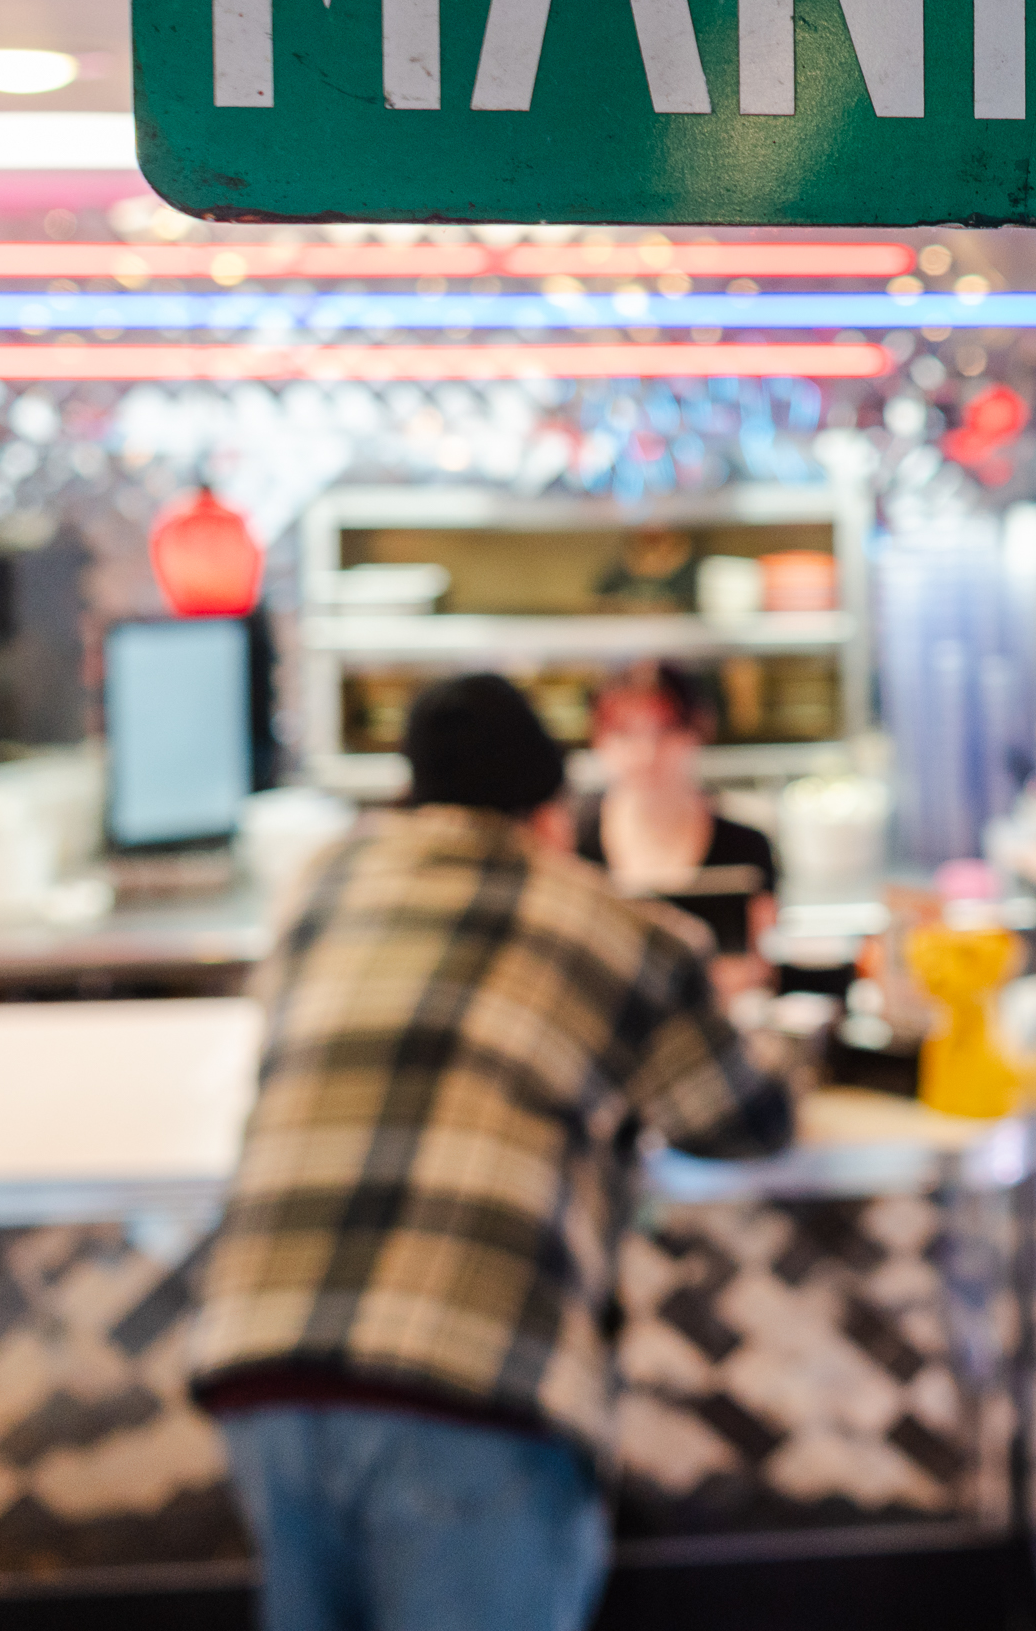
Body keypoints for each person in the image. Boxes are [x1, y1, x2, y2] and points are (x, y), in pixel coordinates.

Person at [188, 671, 791, 1631]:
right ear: (553, 813)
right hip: (474, 1380)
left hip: (259, 1364)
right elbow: (748, 1126)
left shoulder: (324, 889)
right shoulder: (625, 933)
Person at [576, 663, 778, 995]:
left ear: (697, 730)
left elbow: (763, 968)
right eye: (625, 731)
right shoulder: (575, 841)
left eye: (665, 731)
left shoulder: (747, 846)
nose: (647, 753)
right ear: (598, 737)